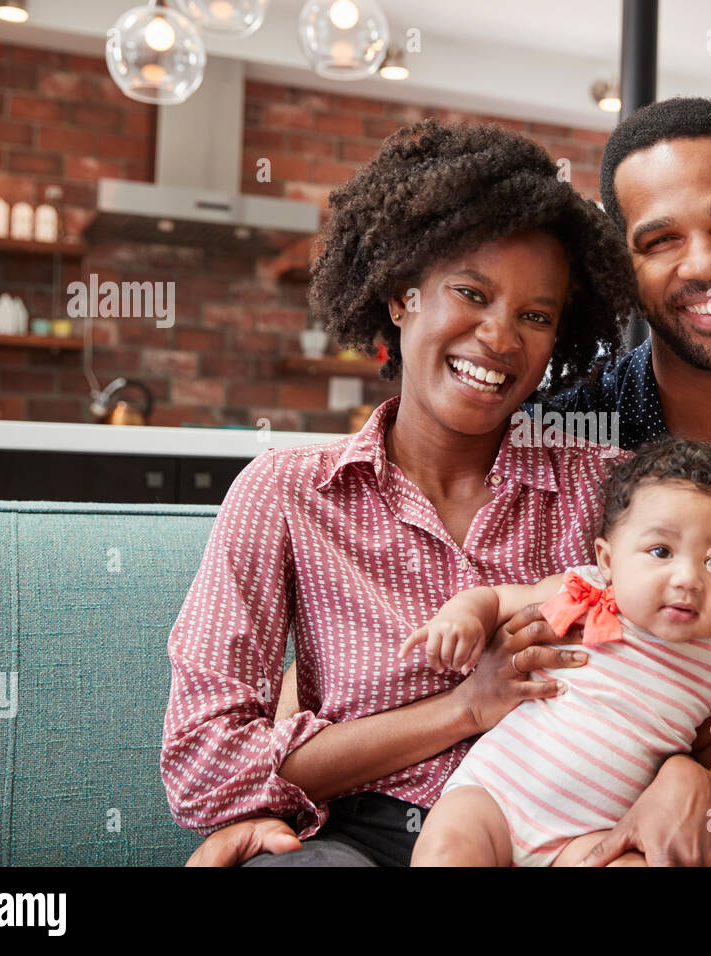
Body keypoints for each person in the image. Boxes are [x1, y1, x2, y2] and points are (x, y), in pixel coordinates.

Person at [191, 96, 711, 867]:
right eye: (659, 240)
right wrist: (271, 788)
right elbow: (359, 632)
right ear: (626, 266)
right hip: (607, 809)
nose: (705, 263)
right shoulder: (574, 431)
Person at [162, 119, 640, 867]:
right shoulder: (287, 495)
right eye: (471, 293)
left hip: (553, 837)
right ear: (400, 295)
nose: (500, 337)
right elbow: (205, 769)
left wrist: (686, 778)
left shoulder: (608, 487)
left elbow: (682, 664)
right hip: (354, 838)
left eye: (535, 316)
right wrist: (461, 708)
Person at [405, 437, 711, 866]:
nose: (689, 578)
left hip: (597, 838)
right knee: (447, 848)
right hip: (495, 799)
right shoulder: (580, 591)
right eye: (661, 551)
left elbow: (708, 749)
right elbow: (494, 598)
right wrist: (463, 616)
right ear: (607, 559)